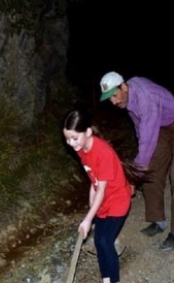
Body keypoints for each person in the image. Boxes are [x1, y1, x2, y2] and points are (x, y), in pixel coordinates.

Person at [99, 71, 174, 251]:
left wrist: (134, 173)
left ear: (124, 87)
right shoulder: (128, 100)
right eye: (109, 98)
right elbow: (140, 129)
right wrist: (141, 169)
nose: (113, 101)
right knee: (152, 173)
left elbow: (148, 138)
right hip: (161, 128)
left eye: (114, 95)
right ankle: (158, 221)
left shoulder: (145, 97)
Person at [63, 108, 132, 283]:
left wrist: (88, 219)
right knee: (98, 241)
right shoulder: (81, 150)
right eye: (67, 138)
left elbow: (102, 189)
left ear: (88, 132)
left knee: (105, 240)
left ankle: (113, 280)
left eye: (74, 138)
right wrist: (91, 208)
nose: (71, 143)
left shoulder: (103, 152)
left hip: (118, 200)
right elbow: (93, 182)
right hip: (103, 201)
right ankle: (106, 279)